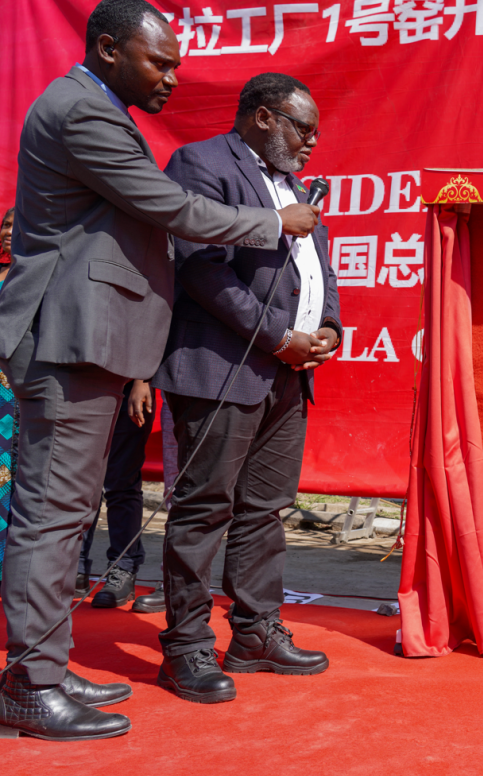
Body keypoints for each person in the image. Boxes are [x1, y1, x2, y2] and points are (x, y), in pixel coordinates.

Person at [0, 0, 320, 742]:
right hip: (67, 338)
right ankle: (30, 686)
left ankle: (44, 666)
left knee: (67, 513)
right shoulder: (81, 110)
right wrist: (272, 222)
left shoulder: (98, 110)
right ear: (109, 48)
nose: (173, 77)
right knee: (52, 516)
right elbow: (168, 206)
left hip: (90, 342)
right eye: (161, 62)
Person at [152, 72, 341, 705]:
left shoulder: (294, 185)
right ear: (264, 117)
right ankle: (185, 646)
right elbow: (201, 266)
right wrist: (278, 336)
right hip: (220, 369)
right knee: (205, 507)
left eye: (315, 132)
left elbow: (318, 266)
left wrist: (328, 327)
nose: (311, 141)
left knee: (266, 508)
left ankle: (256, 633)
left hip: (288, 375)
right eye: (303, 128)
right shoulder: (202, 164)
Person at [73, 379, 156, 608]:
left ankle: (123, 568)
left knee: (121, 481)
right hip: (86, 382)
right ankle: (76, 567)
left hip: (130, 385)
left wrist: (142, 381)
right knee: (81, 483)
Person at [0, 207, 16, 580]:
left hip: (17, 393)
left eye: (17, 225)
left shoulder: (41, 277)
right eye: (5, 225)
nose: (9, 232)